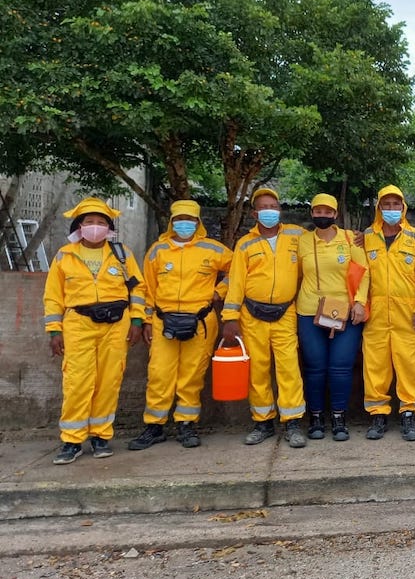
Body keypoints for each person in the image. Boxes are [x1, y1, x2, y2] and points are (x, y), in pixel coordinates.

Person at [43, 198, 146, 464]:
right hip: (78, 324)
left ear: (109, 227)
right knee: (77, 382)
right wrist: (55, 331)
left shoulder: (122, 254)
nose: (95, 227)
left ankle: (101, 436)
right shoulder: (65, 255)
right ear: (79, 226)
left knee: (109, 381)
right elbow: (53, 297)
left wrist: (137, 321)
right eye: (89, 222)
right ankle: (72, 440)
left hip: (116, 324)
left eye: (101, 222)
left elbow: (137, 289)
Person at [128, 200, 232, 451]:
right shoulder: (157, 250)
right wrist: (147, 321)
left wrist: (220, 290)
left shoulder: (213, 249)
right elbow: (147, 289)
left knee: (192, 375)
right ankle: (154, 426)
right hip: (164, 322)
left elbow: (237, 270)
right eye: (179, 218)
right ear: (172, 221)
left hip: (200, 321)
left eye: (190, 219)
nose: (184, 223)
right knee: (159, 374)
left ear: (198, 222)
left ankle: (186, 424)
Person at [222, 188, 307, 448]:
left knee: (289, 368)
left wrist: (355, 237)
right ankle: (263, 422)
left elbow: (322, 245)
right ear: (254, 213)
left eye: (274, 206)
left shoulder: (296, 235)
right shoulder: (245, 244)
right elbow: (236, 282)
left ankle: (292, 422)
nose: (270, 211)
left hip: (285, 312)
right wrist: (229, 317)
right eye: (264, 207)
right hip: (251, 314)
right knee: (257, 369)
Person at [296, 193, 369, 442]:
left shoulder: (350, 239)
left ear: (335, 214)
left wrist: (359, 302)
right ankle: (316, 417)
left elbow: (364, 272)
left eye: (328, 212)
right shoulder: (301, 241)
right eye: (318, 211)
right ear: (311, 213)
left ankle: (339, 417)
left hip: (344, 310)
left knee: (340, 366)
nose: (322, 216)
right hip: (309, 310)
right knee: (315, 367)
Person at [362, 185, 415, 441]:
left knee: (410, 365)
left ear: (404, 208)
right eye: (386, 204)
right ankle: (377, 415)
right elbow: (360, 274)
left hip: (408, 314)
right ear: (379, 208)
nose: (391, 209)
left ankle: (409, 414)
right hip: (376, 315)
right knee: (375, 365)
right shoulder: (367, 236)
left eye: (396, 204)